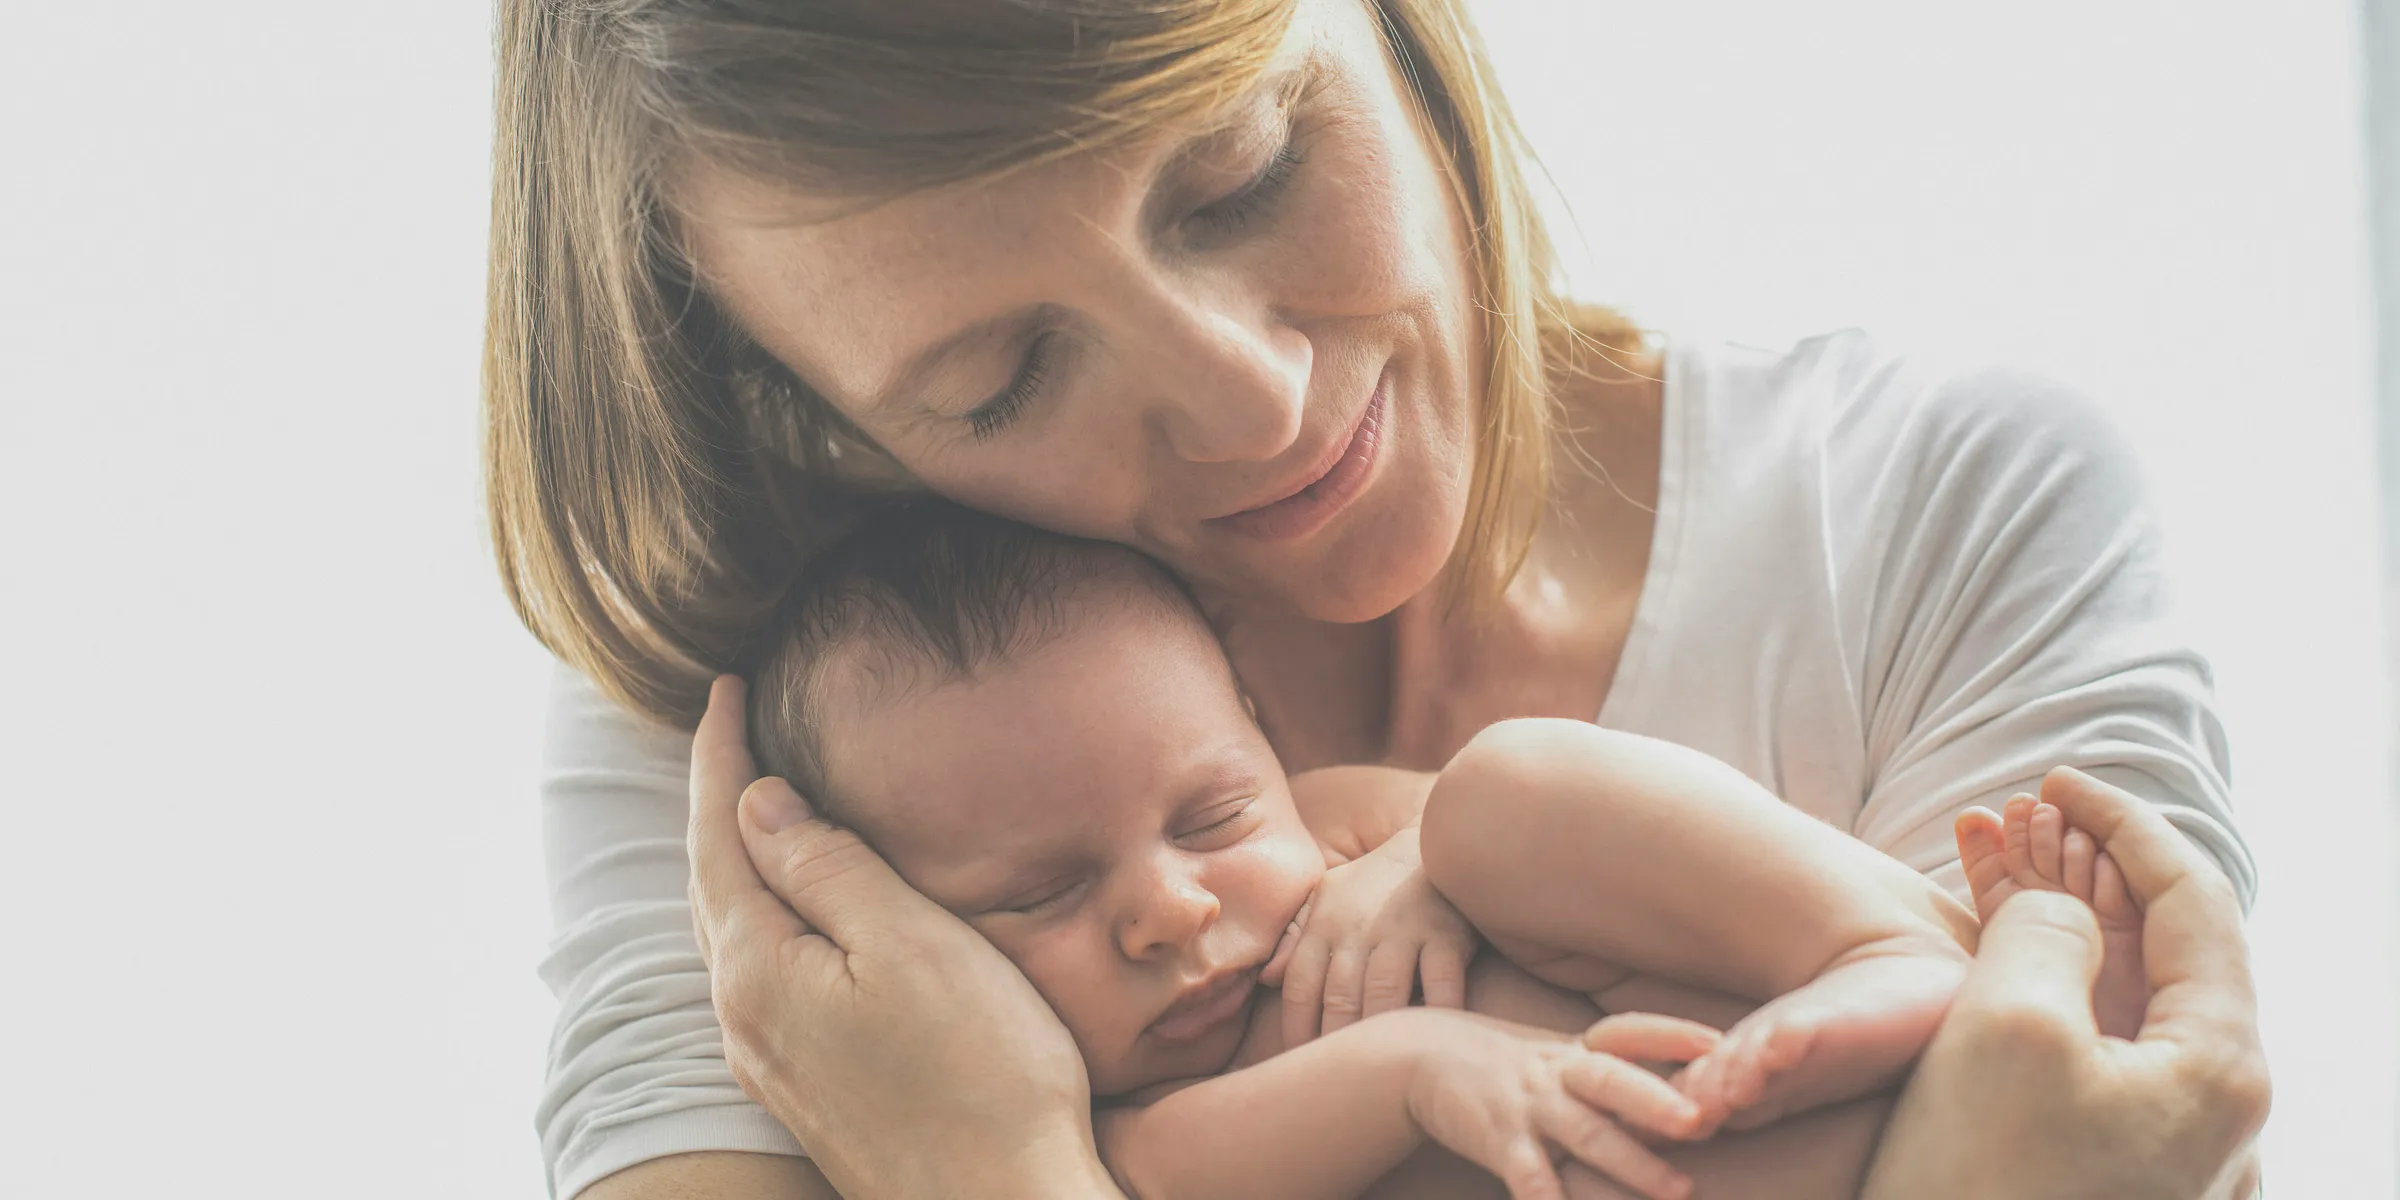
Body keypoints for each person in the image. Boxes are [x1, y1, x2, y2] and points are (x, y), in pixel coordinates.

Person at [483, 0, 2264, 1196]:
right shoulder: (792, 737)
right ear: (807, 412)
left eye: (1247, 167)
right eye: (998, 378)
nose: (1252, 399)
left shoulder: (1930, 511)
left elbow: (2093, 1101)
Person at [731, 501, 1998, 1198]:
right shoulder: (1101, 1115)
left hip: (1741, 1031)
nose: (1172, 906)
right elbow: (1166, 1179)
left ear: (1256, 732)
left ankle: (1879, 948)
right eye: (1039, 893)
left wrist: (1418, 862)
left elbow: (1463, 819)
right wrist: (1418, 1064)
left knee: (1506, 786)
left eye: (1211, 817)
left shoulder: (1329, 819)